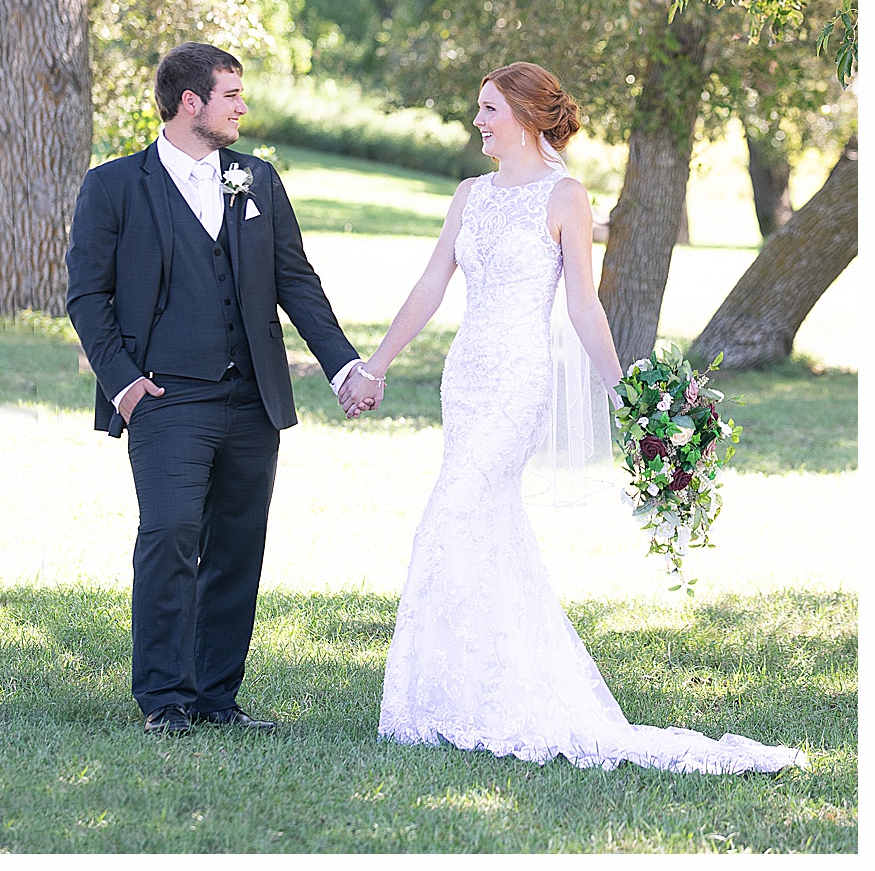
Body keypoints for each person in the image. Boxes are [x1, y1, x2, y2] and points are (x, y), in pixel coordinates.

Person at [342, 62, 808, 773]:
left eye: (490, 109)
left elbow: (583, 305)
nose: (478, 122)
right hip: (464, 380)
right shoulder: (468, 196)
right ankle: (466, 694)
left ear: (528, 116)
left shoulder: (566, 198)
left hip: (517, 384)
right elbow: (432, 283)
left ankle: (468, 697)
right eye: (479, 109)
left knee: (452, 517)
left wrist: (622, 390)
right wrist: (374, 366)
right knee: (484, 526)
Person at [65, 42, 368, 735]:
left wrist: (343, 365)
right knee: (170, 532)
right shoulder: (113, 186)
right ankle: (164, 698)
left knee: (236, 543)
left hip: (250, 399)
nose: (242, 107)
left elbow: (296, 281)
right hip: (165, 399)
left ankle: (215, 697)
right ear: (190, 102)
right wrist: (125, 385)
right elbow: (86, 297)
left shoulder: (256, 180)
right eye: (232, 94)